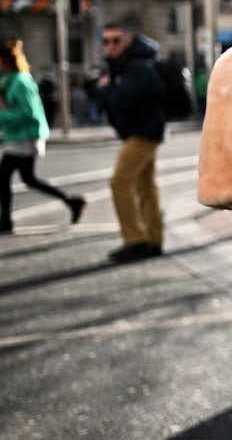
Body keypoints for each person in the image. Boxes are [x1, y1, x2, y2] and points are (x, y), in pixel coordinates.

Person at [96, 20, 166, 262]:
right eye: (105, 41)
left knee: (120, 182)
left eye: (115, 40)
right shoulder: (127, 65)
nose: (110, 46)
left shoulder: (137, 66)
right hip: (143, 131)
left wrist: (104, 90)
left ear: (128, 40)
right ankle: (154, 240)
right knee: (146, 186)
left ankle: (135, 240)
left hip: (143, 132)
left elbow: (124, 101)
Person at [0, 39, 86, 233]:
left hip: (26, 136)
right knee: (27, 178)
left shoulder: (21, 81)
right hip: (17, 136)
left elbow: (27, 113)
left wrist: (1, 116)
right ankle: (72, 201)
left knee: (6, 177)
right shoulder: (10, 80)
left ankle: (5, 220)